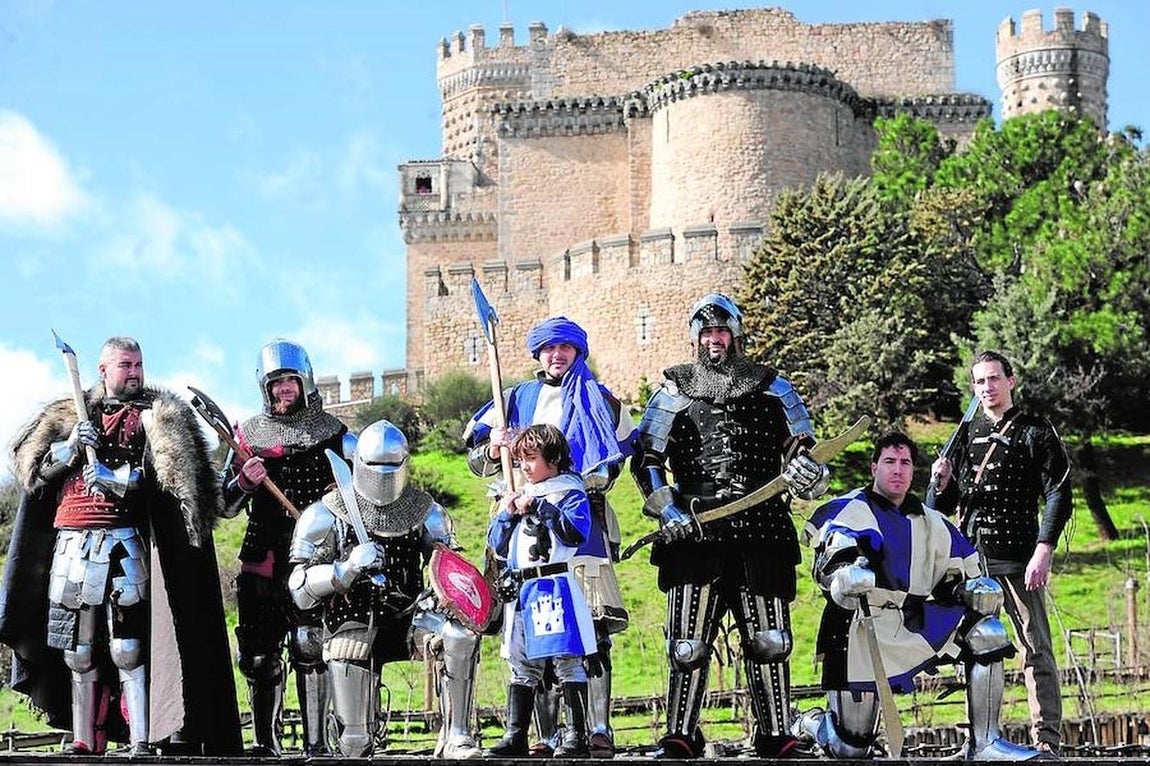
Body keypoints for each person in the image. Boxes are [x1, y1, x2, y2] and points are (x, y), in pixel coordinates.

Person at [0, 336, 241, 756]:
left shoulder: (156, 417)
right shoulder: (70, 415)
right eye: (126, 365)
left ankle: (141, 738)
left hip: (126, 543)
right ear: (103, 370)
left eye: (138, 365)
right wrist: (70, 446)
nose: (135, 373)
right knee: (78, 652)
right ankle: (84, 738)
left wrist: (118, 480)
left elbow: (170, 486)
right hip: (71, 544)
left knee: (128, 648)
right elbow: (34, 472)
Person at [630, 293, 831, 759]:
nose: (714, 339)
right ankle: (680, 735)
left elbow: (804, 455)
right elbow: (647, 460)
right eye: (706, 333)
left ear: (735, 335)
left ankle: (776, 734)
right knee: (688, 645)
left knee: (770, 642)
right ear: (695, 338)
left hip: (762, 531)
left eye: (721, 331)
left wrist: (808, 471)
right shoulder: (673, 393)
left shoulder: (774, 389)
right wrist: (667, 509)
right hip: (695, 532)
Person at [796, 432, 1046, 760]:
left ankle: (985, 743)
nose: (897, 469)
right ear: (874, 468)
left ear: (913, 470)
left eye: (905, 463)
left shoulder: (932, 522)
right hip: (858, 629)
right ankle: (809, 722)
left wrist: (971, 590)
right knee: (850, 748)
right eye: (889, 461)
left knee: (987, 632)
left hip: (911, 619)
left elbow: (954, 577)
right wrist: (844, 577)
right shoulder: (849, 511)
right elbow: (830, 567)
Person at [463, 316, 635, 757]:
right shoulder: (515, 397)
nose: (557, 355)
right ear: (538, 354)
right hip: (520, 523)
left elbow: (621, 454)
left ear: (578, 352)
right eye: (549, 349)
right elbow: (475, 459)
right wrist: (495, 447)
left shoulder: (601, 398)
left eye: (566, 348)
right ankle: (543, 733)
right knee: (530, 630)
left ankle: (596, 728)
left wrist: (578, 478)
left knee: (591, 628)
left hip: (580, 519)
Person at [287, 419, 482, 759]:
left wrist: (455, 600)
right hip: (350, 621)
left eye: (392, 465)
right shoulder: (324, 514)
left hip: (409, 616)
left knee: (458, 636)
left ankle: (457, 735)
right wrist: (344, 569)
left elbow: (451, 571)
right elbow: (299, 588)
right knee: (354, 744)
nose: (383, 473)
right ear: (359, 463)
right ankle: (356, 737)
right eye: (376, 465)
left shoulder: (426, 512)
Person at [926, 350, 1072, 755]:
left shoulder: (1036, 431)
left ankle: (1047, 742)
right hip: (972, 560)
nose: (987, 387)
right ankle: (979, 739)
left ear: (1010, 381)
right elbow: (937, 507)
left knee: (1035, 649)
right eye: (980, 381)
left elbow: (1059, 493)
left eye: (993, 378)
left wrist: (1043, 550)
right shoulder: (963, 435)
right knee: (974, 648)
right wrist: (939, 483)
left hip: (1020, 557)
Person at [221, 340, 356, 756]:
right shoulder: (248, 437)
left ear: (305, 382)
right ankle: (265, 743)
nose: (283, 389)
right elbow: (225, 505)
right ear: (265, 388)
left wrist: (339, 500)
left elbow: (360, 499)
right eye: (276, 383)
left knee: (310, 645)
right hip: (264, 554)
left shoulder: (334, 434)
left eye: (290, 381)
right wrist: (244, 481)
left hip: (315, 557)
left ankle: (317, 744)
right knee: (259, 657)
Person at [484, 424, 597, 758]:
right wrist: (506, 516)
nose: (524, 467)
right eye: (520, 460)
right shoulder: (519, 493)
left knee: (568, 662)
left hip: (554, 586)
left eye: (531, 458)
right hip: (522, 591)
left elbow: (575, 533)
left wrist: (540, 508)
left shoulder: (569, 493)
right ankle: (516, 735)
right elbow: (497, 546)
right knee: (522, 666)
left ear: (554, 458)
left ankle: (575, 736)